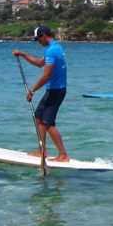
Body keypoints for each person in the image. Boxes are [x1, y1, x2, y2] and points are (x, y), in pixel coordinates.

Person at [12, 26, 70, 162]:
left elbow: (46, 76)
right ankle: (42, 151)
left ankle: (63, 155)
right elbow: (39, 63)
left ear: (44, 35)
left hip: (56, 91)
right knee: (39, 119)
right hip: (54, 90)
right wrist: (23, 54)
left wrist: (32, 90)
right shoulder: (55, 47)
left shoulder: (52, 50)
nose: (38, 42)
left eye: (38, 39)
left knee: (48, 123)